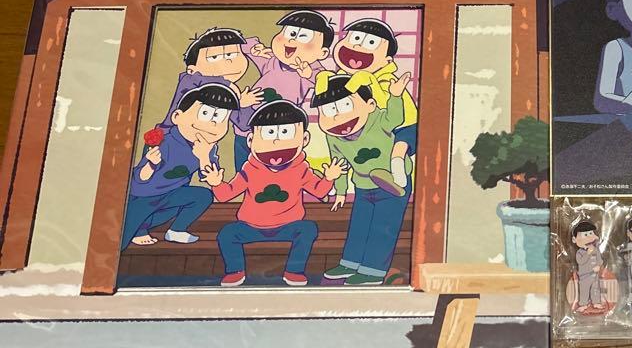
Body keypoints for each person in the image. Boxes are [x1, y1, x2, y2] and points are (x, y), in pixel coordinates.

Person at [202, 100, 346, 287]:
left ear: (304, 139)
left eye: (285, 132)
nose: (276, 141)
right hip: (250, 227)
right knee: (227, 234)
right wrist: (216, 183)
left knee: (308, 229)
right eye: (269, 133)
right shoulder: (250, 169)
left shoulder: (300, 169)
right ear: (251, 141)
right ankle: (235, 271)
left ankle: (294, 271)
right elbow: (225, 195)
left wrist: (329, 178)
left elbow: (319, 191)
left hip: (289, 226)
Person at [311, 70, 414, 285]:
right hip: (363, 185)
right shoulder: (333, 137)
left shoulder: (379, 120)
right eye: (328, 111)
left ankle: (373, 271)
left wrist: (395, 95)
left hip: (394, 184)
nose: (337, 116)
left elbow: (396, 117)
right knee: (360, 225)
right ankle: (350, 263)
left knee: (383, 227)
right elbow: (339, 164)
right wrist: (340, 191)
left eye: (345, 106)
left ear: (370, 105)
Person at [123, 83, 240, 249]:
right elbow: (139, 180)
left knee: (203, 196)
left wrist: (204, 157)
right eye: (205, 113)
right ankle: (139, 229)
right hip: (144, 195)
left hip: (174, 195)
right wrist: (151, 164)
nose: (213, 124)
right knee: (123, 234)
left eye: (220, 118)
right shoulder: (165, 141)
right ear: (177, 116)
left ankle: (176, 230)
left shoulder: (208, 147)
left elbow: (208, 177)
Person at [232, 10, 334, 168]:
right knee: (244, 170)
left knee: (274, 172)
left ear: (323, 53)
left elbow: (326, 84)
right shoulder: (271, 61)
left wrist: (309, 74)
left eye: (303, 37)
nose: (292, 40)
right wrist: (254, 48)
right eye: (290, 33)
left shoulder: (311, 70)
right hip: (245, 127)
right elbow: (243, 44)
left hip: (279, 133)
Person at [325, 17, 416, 190]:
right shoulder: (347, 77)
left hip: (405, 123)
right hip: (377, 126)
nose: (358, 46)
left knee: (399, 147)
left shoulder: (386, 79)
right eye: (355, 38)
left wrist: (370, 81)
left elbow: (384, 107)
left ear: (387, 61)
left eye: (371, 43)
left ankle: (398, 167)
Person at [162, 27, 260, 122]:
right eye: (214, 57)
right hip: (171, 131)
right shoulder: (189, 80)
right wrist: (227, 84)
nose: (228, 62)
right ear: (192, 70)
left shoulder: (226, 95)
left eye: (231, 54)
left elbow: (244, 124)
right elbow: (198, 79)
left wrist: (242, 105)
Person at [570, 219, 607, 315]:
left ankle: (596, 302)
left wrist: (599, 265)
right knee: (584, 290)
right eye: (585, 235)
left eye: (591, 233)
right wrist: (588, 253)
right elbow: (581, 262)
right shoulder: (579, 252)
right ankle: (583, 304)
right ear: (574, 239)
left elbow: (600, 259)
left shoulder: (595, 249)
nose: (589, 237)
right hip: (584, 276)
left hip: (595, 275)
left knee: (595, 289)